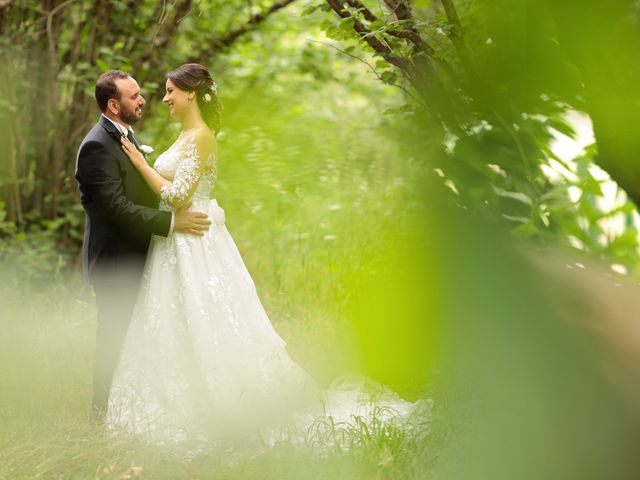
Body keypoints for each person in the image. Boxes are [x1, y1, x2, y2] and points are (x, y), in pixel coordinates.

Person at [107, 63, 424, 449]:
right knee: (177, 321)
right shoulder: (185, 134)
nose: (165, 98)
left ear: (191, 93)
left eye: (171, 90)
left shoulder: (202, 137)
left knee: (208, 320)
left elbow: (177, 197)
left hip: (197, 243)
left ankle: (231, 408)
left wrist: (140, 163)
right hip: (177, 241)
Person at [75, 70, 212, 423]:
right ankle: (99, 418)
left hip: (144, 254)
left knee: (141, 337)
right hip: (116, 262)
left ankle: (139, 411)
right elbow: (115, 207)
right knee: (113, 339)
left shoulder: (124, 134)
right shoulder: (96, 145)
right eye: (134, 96)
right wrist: (170, 222)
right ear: (113, 104)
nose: (143, 100)